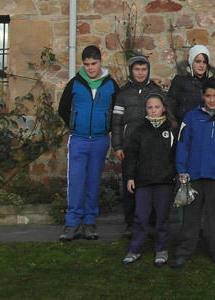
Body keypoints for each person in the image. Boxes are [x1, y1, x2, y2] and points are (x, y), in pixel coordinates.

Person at [171, 78, 215, 271]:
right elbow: (182, 145)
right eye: (208, 96)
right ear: (202, 96)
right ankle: (184, 252)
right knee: (191, 217)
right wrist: (182, 170)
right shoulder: (191, 118)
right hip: (194, 175)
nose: (211, 100)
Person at [57, 45, 119, 241]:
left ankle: (89, 223)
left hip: (100, 140)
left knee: (93, 181)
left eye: (94, 63)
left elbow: (117, 112)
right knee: (76, 182)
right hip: (79, 140)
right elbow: (63, 108)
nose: (90, 68)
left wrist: (105, 127)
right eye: (86, 64)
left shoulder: (110, 85)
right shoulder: (75, 83)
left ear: (101, 61)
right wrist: (75, 124)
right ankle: (72, 223)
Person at [121, 94, 178, 267]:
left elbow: (176, 155)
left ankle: (162, 249)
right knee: (140, 216)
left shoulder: (172, 129)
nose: (153, 111)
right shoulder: (139, 130)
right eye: (150, 108)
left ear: (164, 108)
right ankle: (135, 249)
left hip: (164, 181)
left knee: (162, 218)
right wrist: (130, 177)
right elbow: (131, 155)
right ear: (145, 110)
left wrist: (176, 174)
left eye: (156, 107)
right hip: (143, 181)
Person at [112, 54, 164, 238]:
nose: (140, 73)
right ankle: (130, 223)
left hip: (152, 147)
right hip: (129, 146)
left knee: (152, 184)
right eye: (137, 69)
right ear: (131, 71)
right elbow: (117, 122)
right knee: (130, 185)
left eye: (143, 69)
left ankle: (152, 222)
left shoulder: (156, 90)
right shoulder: (123, 93)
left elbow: (164, 117)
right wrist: (118, 145)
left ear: (148, 70)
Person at [167, 44, 215, 123]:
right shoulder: (180, 80)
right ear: (191, 61)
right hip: (184, 123)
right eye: (198, 62)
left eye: (204, 62)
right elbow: (171, 104)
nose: (201, 65)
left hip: (207, 124)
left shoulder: (213, 81)